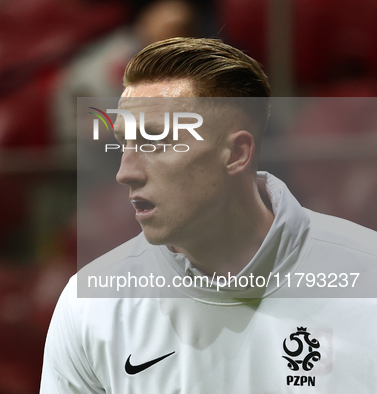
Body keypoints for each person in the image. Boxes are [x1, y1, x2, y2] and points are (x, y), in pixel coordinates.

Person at [40, 37, 377, 392]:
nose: (126, 172)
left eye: (154, 141)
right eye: (124, 143)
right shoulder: (91, 305)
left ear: (236, 154)